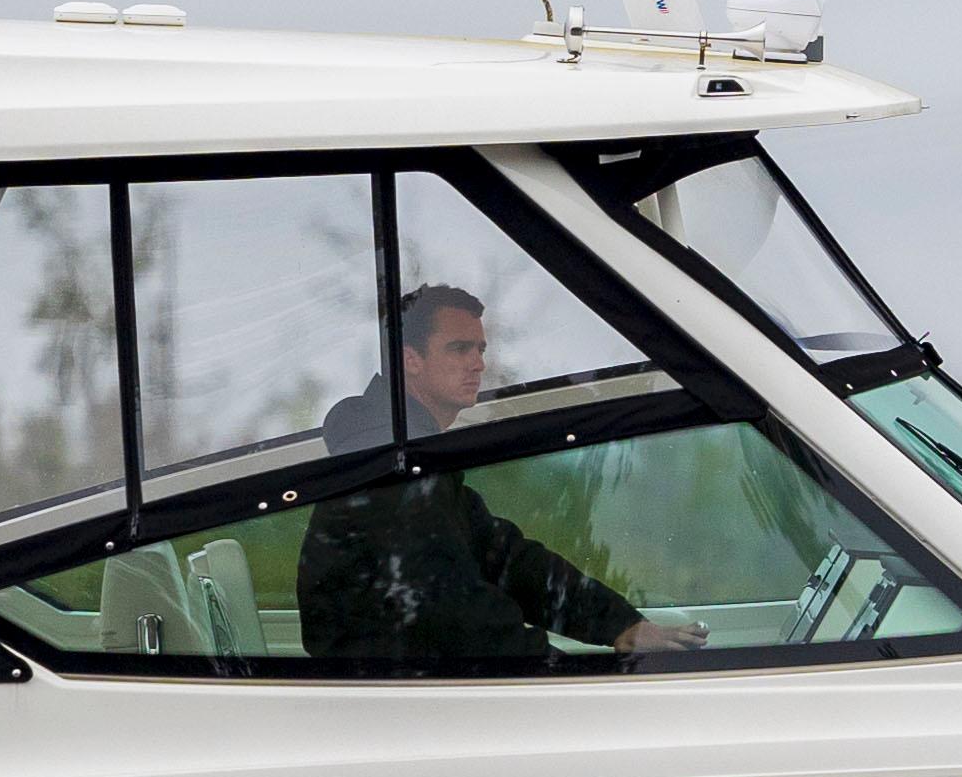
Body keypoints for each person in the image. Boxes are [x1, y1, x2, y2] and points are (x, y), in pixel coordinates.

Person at [297, 285, 708, 667]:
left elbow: (507, 557)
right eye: (459, 349)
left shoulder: (416, 456)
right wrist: (564, 675)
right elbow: (456, 610)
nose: (477, 364)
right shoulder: (389, 464)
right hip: (382, 702)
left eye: (480, 349)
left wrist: (621, 626)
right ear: (411, 359)